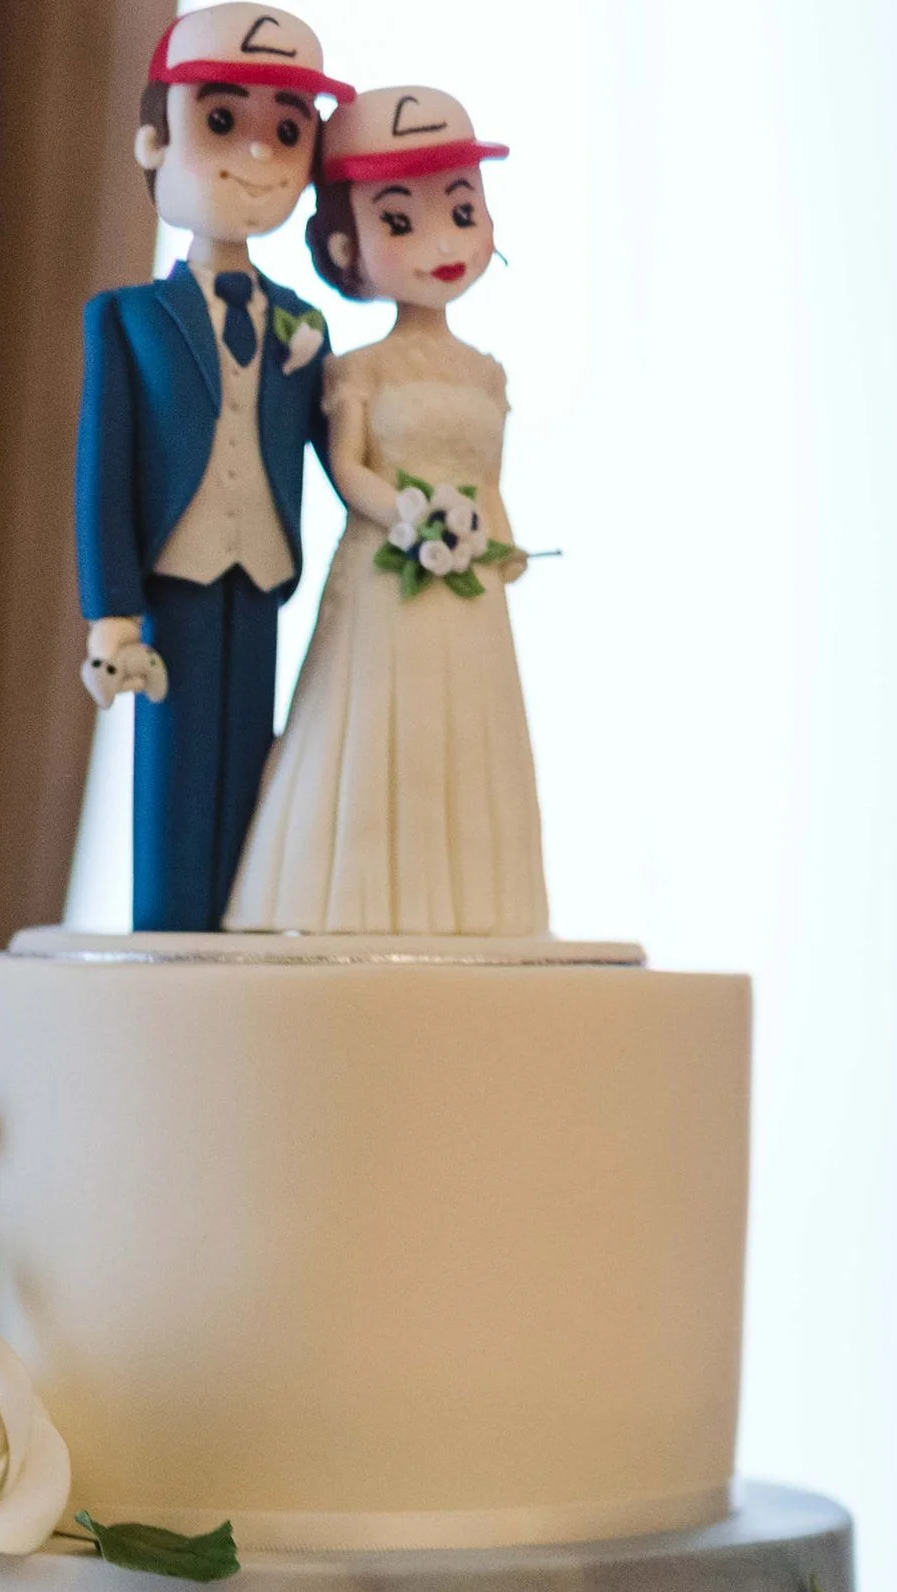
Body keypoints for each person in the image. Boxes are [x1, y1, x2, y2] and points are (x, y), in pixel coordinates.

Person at [225, 85, 549, 936]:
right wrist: (412, 516)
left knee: (466, 729)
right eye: (400, 220)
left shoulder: (486, 373)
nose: (441, 242)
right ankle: (347, 900)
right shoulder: (359, 368)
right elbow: (348, 471)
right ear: (348, 247)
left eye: (462, 210)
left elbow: (492, 479)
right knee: (371, 724)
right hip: (386, 571)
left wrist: (499, 545)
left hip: (469, 590)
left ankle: (475, 908)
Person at [75, 9, 352, 933]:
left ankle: (239, 933)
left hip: (266, 570)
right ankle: (169, 940)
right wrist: (110, 613)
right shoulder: (128, 319)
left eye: (288, 131)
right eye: (223, 122)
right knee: (173, 772)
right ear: (155, 138)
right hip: (174, 577)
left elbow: (336, 447)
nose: (261, 157)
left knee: (252, 766)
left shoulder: (304, 325)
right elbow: (103, 476)